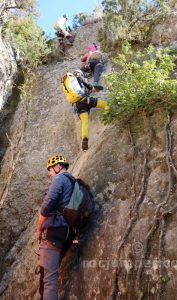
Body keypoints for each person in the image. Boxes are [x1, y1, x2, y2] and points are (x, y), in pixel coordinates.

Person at [37, 154, 75, 300]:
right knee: (48, 274)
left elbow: (47, 206)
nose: (50, 173)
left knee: (49, 281)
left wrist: (39, 229)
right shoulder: (73, 181)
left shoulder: (59, 179)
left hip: (54, 232)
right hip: (67, 233)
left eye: (50, 169)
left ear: (58, 166)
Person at [61, 70, 109, 151]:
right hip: (86, 100)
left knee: (84, 122)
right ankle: (109, 118)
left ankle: (85, 139)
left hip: (79, 105)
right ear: (79, 74)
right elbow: (90, 87)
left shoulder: (68, 86)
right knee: (105, 104)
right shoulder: (79, 78)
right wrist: (96, 88)